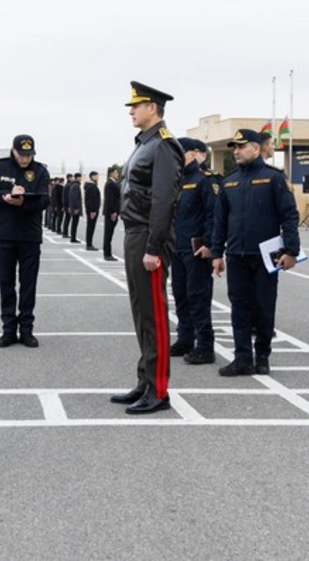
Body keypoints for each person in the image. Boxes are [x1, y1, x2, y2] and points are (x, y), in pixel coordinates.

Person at [110, 82, 184, 415]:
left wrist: (153, 246)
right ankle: (145, 380)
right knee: (141, 311)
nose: (131, 111)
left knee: (154, 314)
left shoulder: (164, 146)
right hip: (135, 233)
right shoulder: (145, 144)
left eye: (136, 106)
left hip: (149, 237)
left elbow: (164, 200)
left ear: (152, 107)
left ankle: (159, 390)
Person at [211, 130, 300, 376]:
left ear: (256, 149)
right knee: (239, 307)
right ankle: (242, 358)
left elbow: (290, 215)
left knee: (263, 306)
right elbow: (220, 222)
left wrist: (291, 251)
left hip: (266, 256)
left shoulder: (273, 178)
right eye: (234, 147)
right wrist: (217, 254)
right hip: (237, 254)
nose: (236, 151)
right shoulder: (228, 181)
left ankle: (262, 356)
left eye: (242, 146)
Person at [0, 134, 50, 348]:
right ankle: (9, 329)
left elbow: (45, 200)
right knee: (6, 283)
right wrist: (5, 196)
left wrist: (23, 204)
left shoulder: (40, 170)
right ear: (13, 150)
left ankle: (27, 330)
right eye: (22, 155)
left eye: (29, 155)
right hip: (4, 235)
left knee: (28, 285)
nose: (25, 160)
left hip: (29, 236)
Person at [171, 138, 217, 364]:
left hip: (196, 249)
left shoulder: (204, 180)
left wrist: (210, 244)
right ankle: (185, 339)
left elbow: (213, 215)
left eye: (180, 151)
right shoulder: (176, 180)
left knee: (198, 296)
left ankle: (205, 346)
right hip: (177, 247)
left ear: (192, 154)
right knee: (180, 294)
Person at [102, 167, 121, 261]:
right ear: (112, 173)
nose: (117, 174)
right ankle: (107, 254)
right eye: (116, 173)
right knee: (108, 234)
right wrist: (113, 211)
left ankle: (108, 253)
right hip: (111, 213)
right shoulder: (110, 184)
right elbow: (110, 199)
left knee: (109, 233)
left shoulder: (112, 183)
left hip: (112, 212)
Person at [84, 171, 101, 251]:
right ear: (92, 176)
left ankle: (89, 243)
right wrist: (93, 211)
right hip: (92, 210)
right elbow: (92, 200)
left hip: (90, 209)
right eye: (97, 176)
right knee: (91, 227)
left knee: (90, 226)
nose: (98, 177)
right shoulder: (92, 187)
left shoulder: (90, 186)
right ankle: (89, 244)